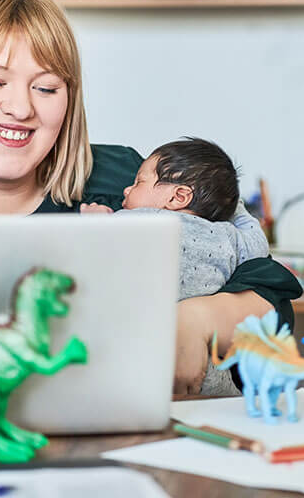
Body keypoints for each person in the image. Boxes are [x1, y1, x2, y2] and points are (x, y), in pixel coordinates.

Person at [0, 0, 301, 394]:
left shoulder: (128, 179)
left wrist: (198, 319)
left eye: (46, 87)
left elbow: (275, 300)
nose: (20, 108)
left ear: (70, 98)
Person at [82, 137, 270, 394]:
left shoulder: (130, 222)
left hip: (135, 365)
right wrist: (232, 203)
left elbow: (89, 255)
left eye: (138, 183)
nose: (126, 190)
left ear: (178, 196)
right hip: (206, 376)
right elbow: (259, 245)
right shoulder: (228, 236)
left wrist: (94, 221)